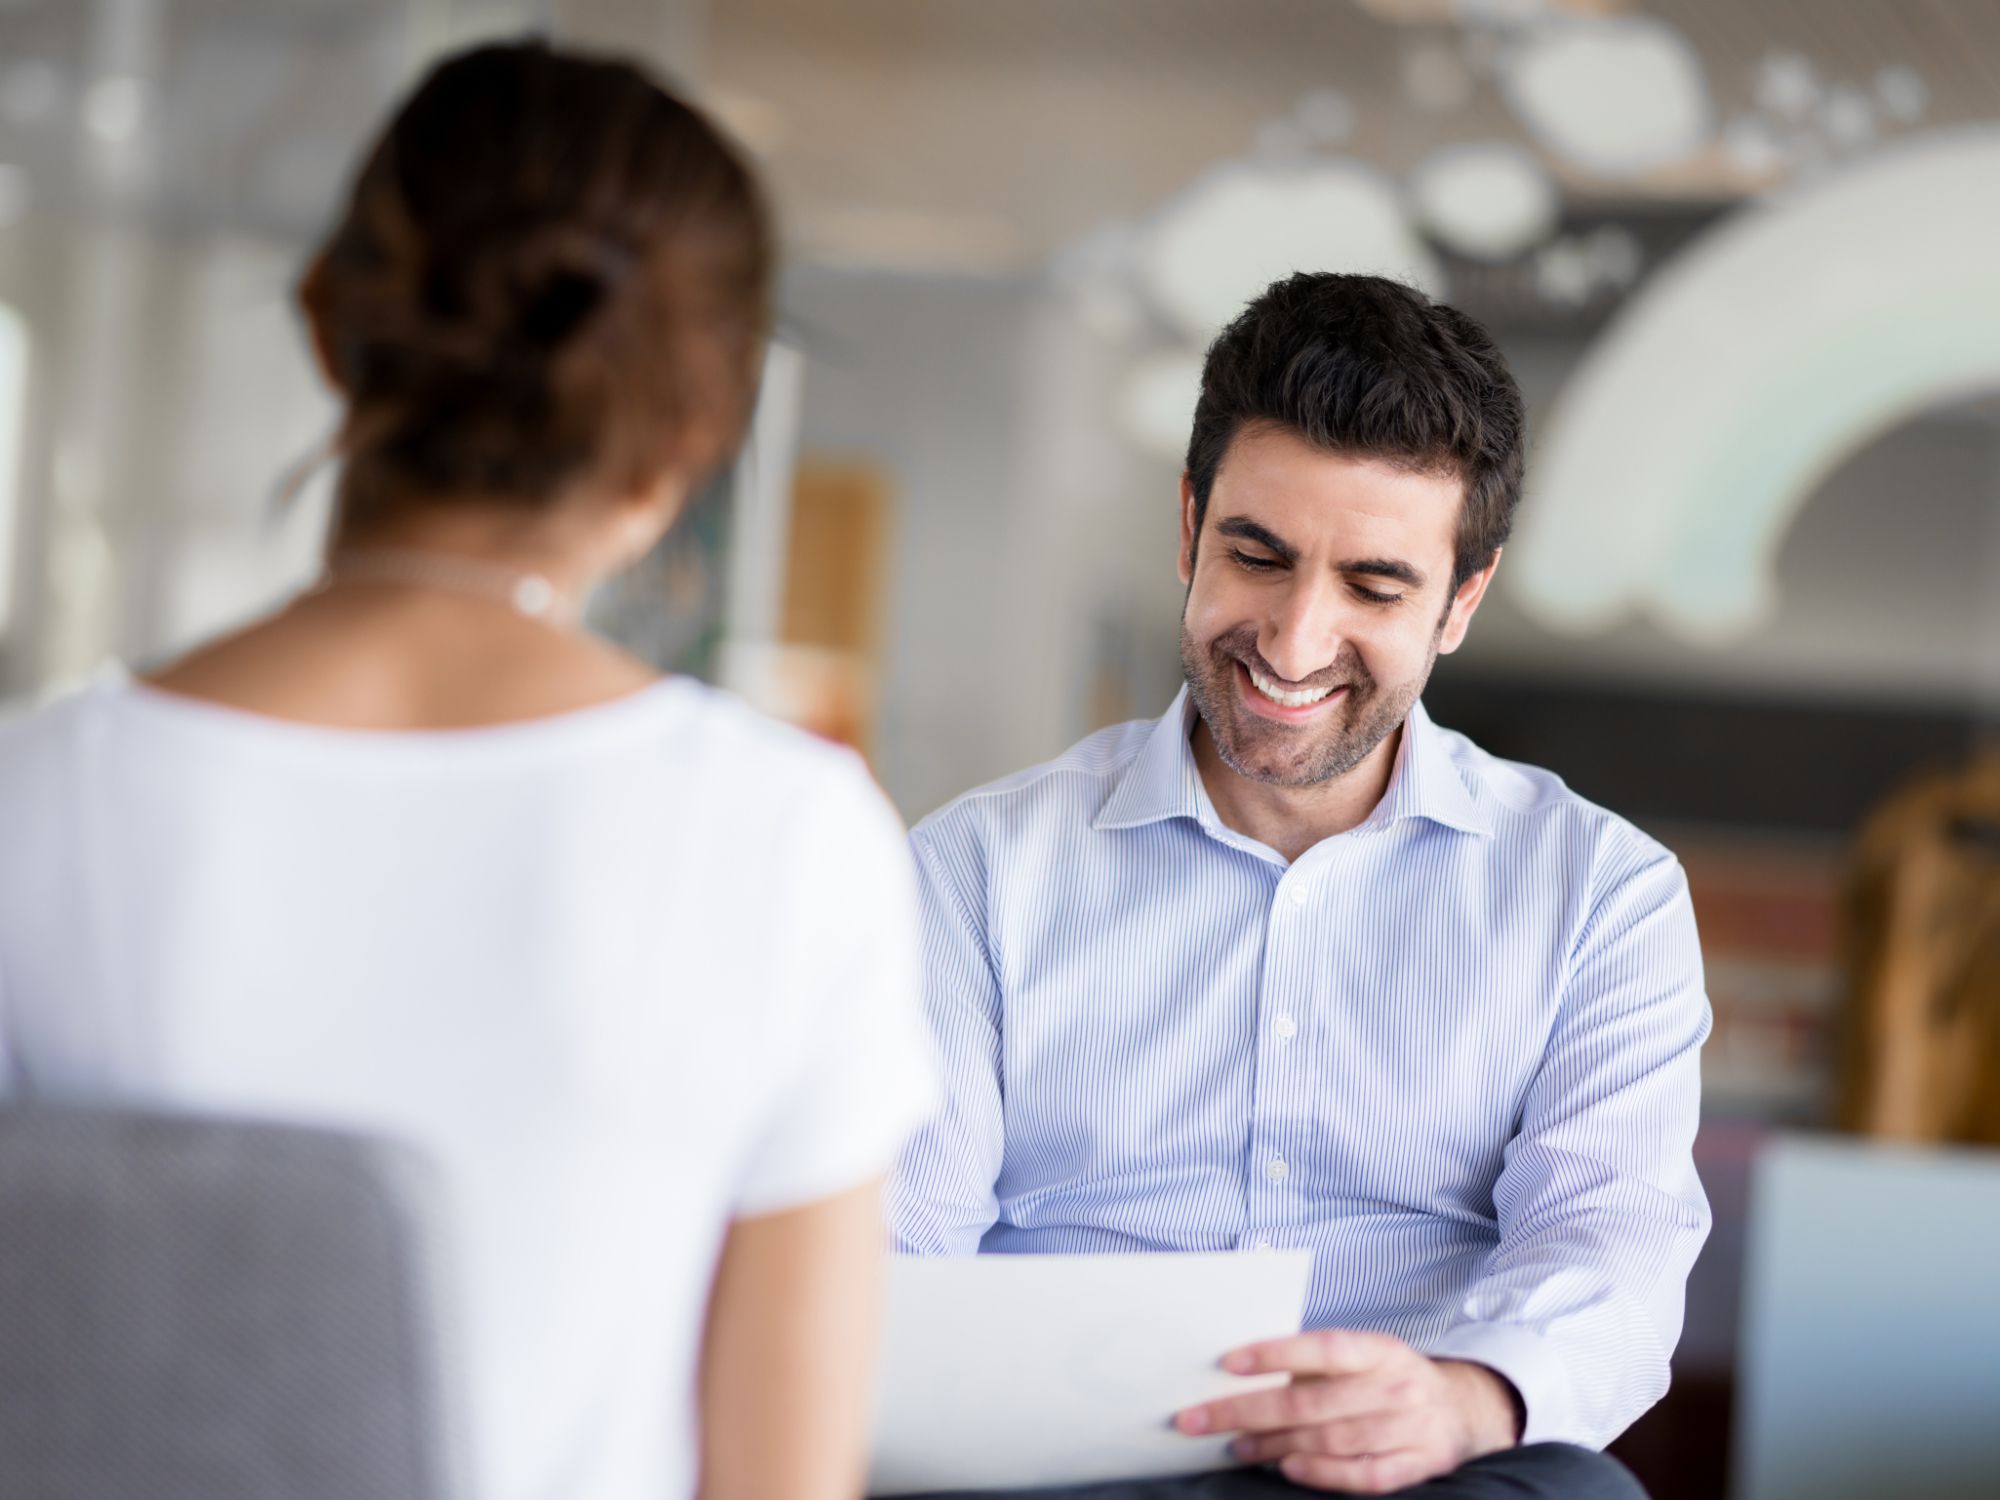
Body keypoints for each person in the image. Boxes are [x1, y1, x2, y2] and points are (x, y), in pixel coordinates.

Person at [0, 41, 933, 1500]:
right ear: (699, 432)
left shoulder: (39, 795)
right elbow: (780, 1478)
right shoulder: (790, 840)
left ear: (332, 326)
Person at [888, 274, 1709, 1498]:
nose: (1290, 640)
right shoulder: (974, 870)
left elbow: (1612, 1242)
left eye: (1372, 588)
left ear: (1459, 602)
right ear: (1186, 530)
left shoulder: (1600, 893)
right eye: (1255, 557)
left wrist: (1460, 1399)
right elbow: (894, 1253)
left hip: (1411, 1470)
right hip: (1054, 1468)